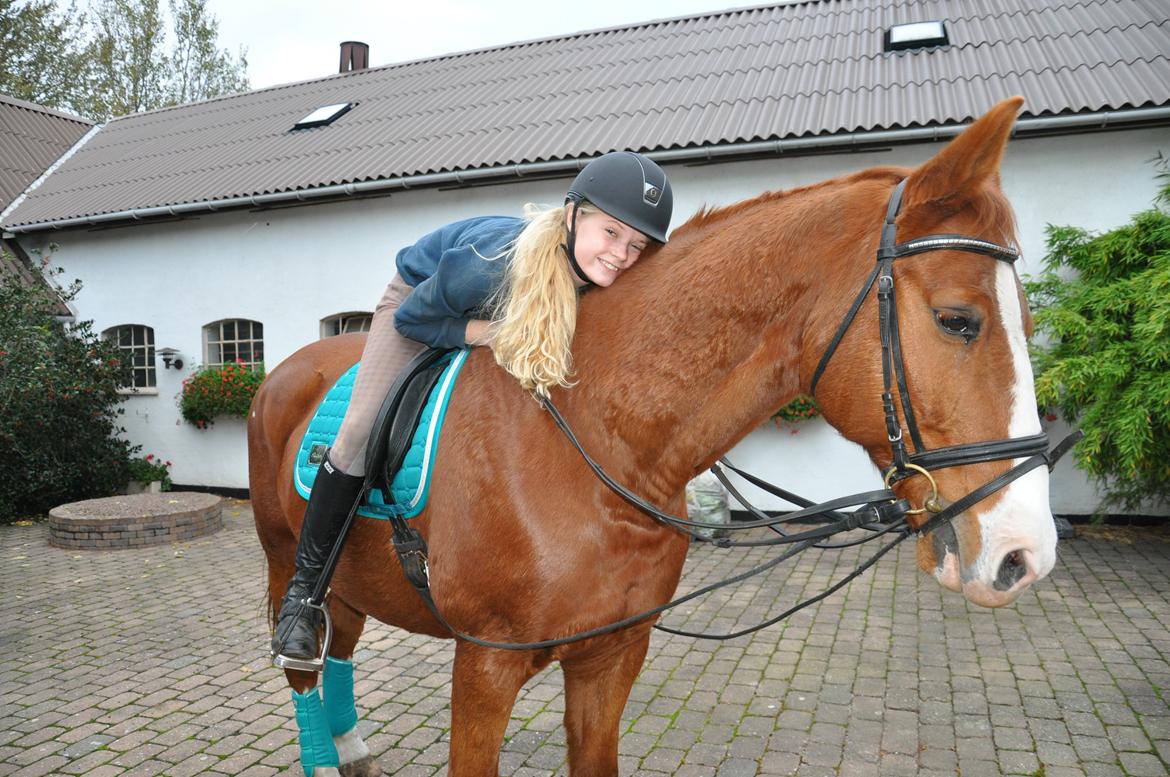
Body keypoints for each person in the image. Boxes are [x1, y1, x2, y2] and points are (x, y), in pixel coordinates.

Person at [271, 150, 674, 663]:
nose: (621, 254)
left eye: (637, 245)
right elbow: (414, 319)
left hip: (495, 309)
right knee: (361, 429)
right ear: (573, 215)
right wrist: (489, 333)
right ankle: (303, 599)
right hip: (420, 303)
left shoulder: (603, 278)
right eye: (611, 232)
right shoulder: (491, 266)